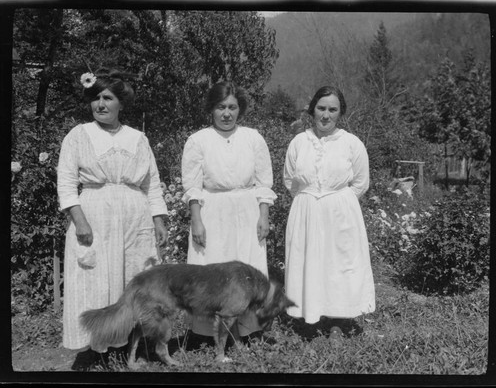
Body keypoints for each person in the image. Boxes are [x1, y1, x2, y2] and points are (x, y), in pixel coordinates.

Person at [57, 68, 168, 369]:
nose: (100, 104)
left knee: (133, 280)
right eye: (95, 98)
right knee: (94, 281)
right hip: (94, 216)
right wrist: (79, 220)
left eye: (108, 98)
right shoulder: (79, 135)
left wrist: (158, 220)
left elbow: (152, 183)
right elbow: (66, 183)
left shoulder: (138, 138)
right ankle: (92, 349)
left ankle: (133, 344)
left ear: (121, 102)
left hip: (135, 218)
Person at [181, 81, 277, 342]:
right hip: (213, 212)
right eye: (220, 107)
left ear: (240, 110)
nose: (226, 114)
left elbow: (264, 182)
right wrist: (197, 220)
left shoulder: (253, 138)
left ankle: (247, 330)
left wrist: (263, 215)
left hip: (247, 213)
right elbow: (192, 186)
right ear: (211, 109)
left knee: (247, 271)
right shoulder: (198, 140)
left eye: (232, 107)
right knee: (211, 272)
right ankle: (206, 334)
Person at [283, 85, 375, 337]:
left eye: (332, 109)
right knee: (310, 263)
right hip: (306, 212)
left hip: (340, 214)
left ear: (340, 113)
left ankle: (337, 323)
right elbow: (290, 180)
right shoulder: (299, 142)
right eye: (321, 108)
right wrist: (311, 200)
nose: (326, 115)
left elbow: (360, 182)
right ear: (312, 110)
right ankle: (311, 320)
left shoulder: (351, 143)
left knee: (339, 266)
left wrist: (337, 202)